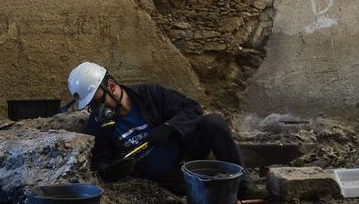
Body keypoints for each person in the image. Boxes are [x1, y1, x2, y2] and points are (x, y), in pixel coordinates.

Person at [67, 62, 253, 197]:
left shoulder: (149, 95)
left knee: (214, 123)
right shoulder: (98, 125)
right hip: (166, 178)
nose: (99, 110)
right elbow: (99, 161)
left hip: (187, 152)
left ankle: (244, 186)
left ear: (112, 86)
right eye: (92, 106)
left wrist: (169, 127)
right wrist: (110, 171)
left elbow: (192, 108)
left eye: (99, 101)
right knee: (206, 193)